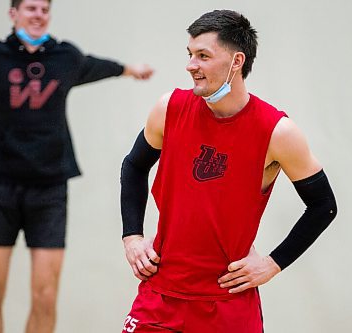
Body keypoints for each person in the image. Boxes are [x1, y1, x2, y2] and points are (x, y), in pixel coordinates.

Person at [120, 9, 337, 333]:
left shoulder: (277, 132)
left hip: (228, 305)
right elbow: (134, 165)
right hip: (160, 297)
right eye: (190, 54)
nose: (191, 65)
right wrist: (132, 236)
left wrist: (272, 264)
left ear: (237, 61)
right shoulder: (169, 109)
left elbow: (324, 206)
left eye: (203, 55)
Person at [0, 0, 153, 332]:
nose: (38, 15)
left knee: (44, 294)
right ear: (13, 14)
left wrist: (131, 68)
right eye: (30, 8)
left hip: (50, 189)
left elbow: (96, 66)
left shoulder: (64, 57)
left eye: (44, 9)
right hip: (0, 187)